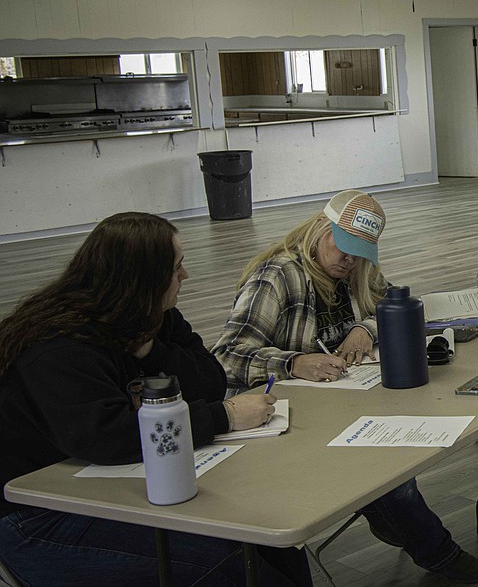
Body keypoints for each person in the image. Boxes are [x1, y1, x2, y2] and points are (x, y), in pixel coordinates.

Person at [0, 212, 305, 585]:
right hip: (37, 514)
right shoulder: (57, 345)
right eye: (176, 268)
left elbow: (209, 380)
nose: (185, 276)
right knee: (227, 562)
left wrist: (149, 350)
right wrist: (222, 417)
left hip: (112, 486)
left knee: (271, 539)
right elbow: (105, 436)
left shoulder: (149, 317)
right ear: (142, 280)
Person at [212, 190, 478, 583]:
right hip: (286, 419)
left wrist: (365, 328)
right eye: (342, 247)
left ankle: (398, 522)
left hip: (342, 405)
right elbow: (225, 356)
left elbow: (401, 303)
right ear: (319, 228)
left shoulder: (357, 271)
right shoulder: (278, 276)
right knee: (389, 474)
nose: (349, 260)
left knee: (395, 452)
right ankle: (438, 552)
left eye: (360, 252)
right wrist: (293, 362)